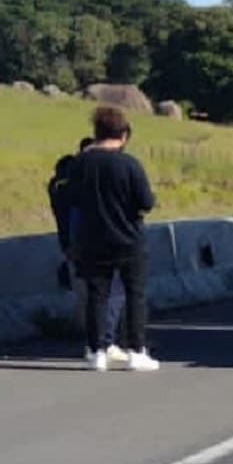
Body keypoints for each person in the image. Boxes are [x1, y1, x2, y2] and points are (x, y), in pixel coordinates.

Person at [66, 107, 159, 371]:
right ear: (124, 134)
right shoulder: (129, 164)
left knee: (97, 296)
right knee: (135, 295)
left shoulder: (81, 164)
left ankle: (97, 352)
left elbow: (71, 198)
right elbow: (146, 202)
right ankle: (137, 351)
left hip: (92, 239)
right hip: (129, 239)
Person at [50, 138, 129, 362]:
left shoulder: (63, 183)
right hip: (92, 242)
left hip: (74, 243)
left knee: (91, 294)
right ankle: (103, 342)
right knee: (109, 293)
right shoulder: (81, 183)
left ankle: (96, 342)